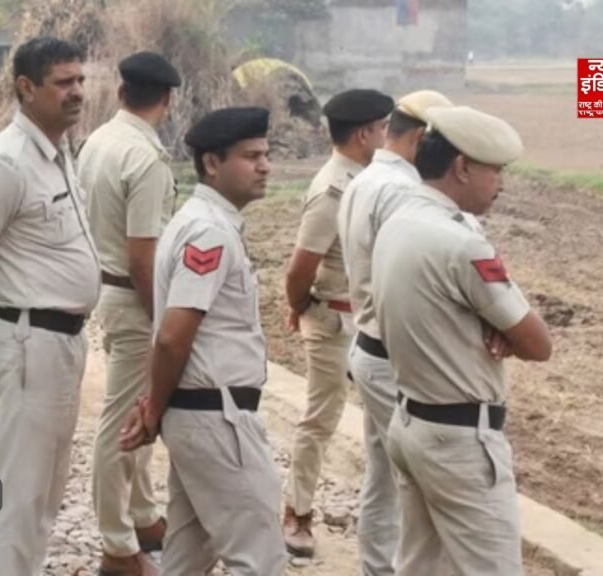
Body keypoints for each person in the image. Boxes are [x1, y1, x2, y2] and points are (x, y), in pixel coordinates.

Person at [371, 105, 553, 576]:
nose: (501, 184)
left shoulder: (398, 220)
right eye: (496, 170)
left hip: (412, 421)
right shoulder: (462, 243)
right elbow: (538, 344)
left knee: (420, 567)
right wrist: (504, 331)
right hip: (459, 442)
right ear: (462, 167)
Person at [0, 37, 100, 576]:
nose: (76, 91)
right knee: (20, 493)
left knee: (46, 490)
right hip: (32, 341)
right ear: (27, 88)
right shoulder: (8, 162)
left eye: (80, 80)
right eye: (63, 82)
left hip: (63, 340)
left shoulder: (57, 152)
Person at [120, 107, 286, 575]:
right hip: (217, 416)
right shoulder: (209, 231)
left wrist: (156, 405)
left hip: (201, 413)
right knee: (259, 559)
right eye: (250, 156)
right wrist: (153, 407)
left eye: (266, 155)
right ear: (212, 163)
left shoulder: (202, 221)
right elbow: (173, 337)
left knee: (187, 558)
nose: (265, 166)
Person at [336, 89, 453, 576]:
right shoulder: (403, 192)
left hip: (371, 346)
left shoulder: (365, 180)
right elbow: (413, 283)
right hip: (395, 357)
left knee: (383, 475)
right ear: (422, 139)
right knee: (419, 484)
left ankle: (377, 568)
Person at [78, 50, 181, 576]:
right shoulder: (145, 159)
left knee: (139, 408)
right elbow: (143, 256)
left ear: (121, 92)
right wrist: (163, 319)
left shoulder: (97, 141)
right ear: (167, 99)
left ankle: (142, 516)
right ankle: (117, 547)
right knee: (122, 421)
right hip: (134, 296)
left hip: (107, 289)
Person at [281, 88, 393, 558]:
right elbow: (299, 267)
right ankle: (297, 512)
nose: (387, 136)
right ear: (364, 134)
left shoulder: (368, 181)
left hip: (368, 320)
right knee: (322, 417)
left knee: (387, 426)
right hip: (332, 320)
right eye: (383, 128)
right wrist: (300, 304)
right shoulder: (332, 190)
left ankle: (387, 524)